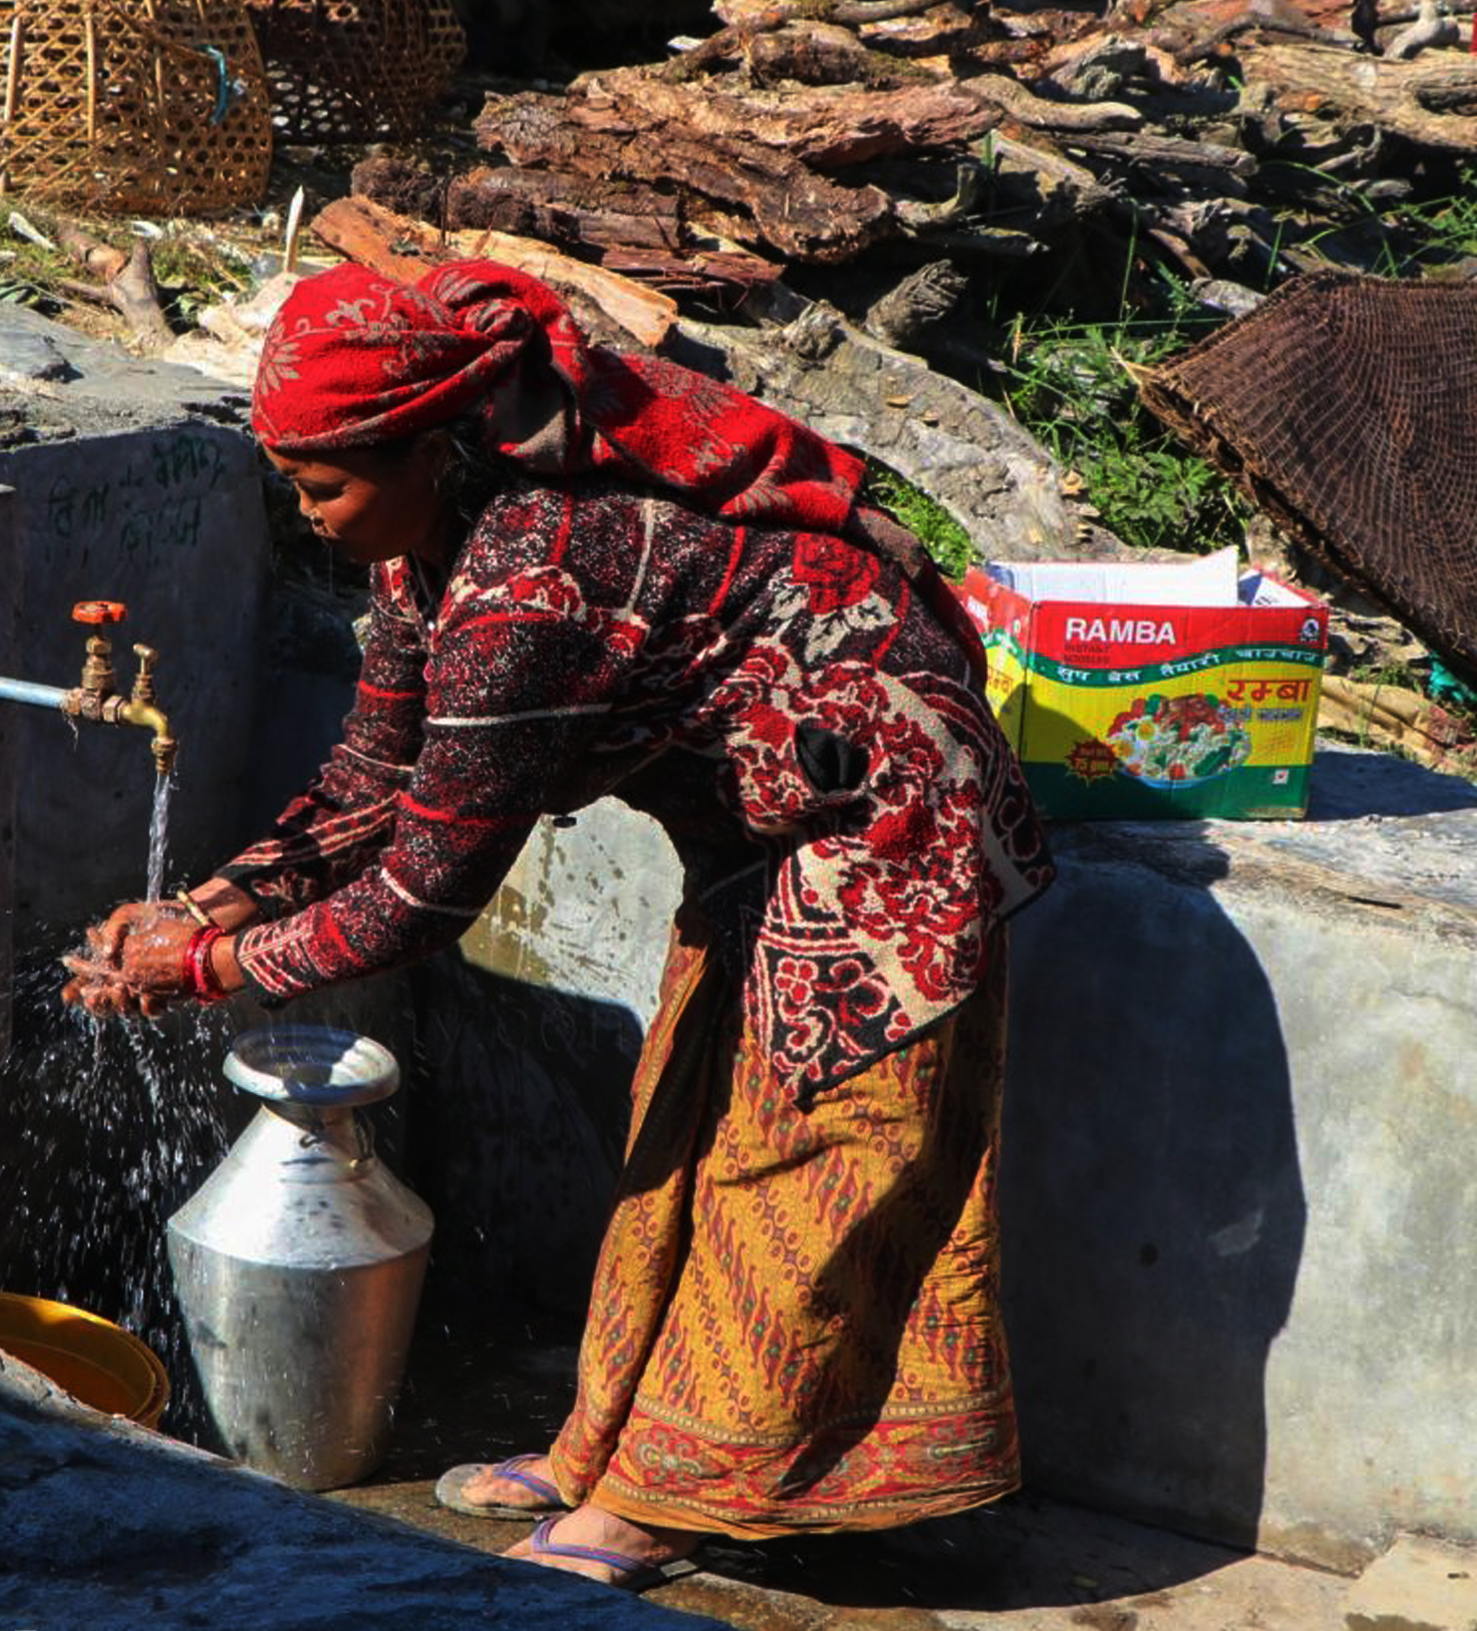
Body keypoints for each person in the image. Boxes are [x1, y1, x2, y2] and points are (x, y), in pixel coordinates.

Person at [66, 259, 1054, 1590]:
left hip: (886, 817)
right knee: (680, 1126)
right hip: (757, 813)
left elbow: (423, 895)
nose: (308, 523)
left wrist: (207, 970)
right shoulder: (435, 547)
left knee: (800, 1155)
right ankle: (605, 1447)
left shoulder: (527, 592)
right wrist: (209, 902)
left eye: (322, 489)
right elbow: (372, 779)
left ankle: (663, 1501)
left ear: (429, 446)